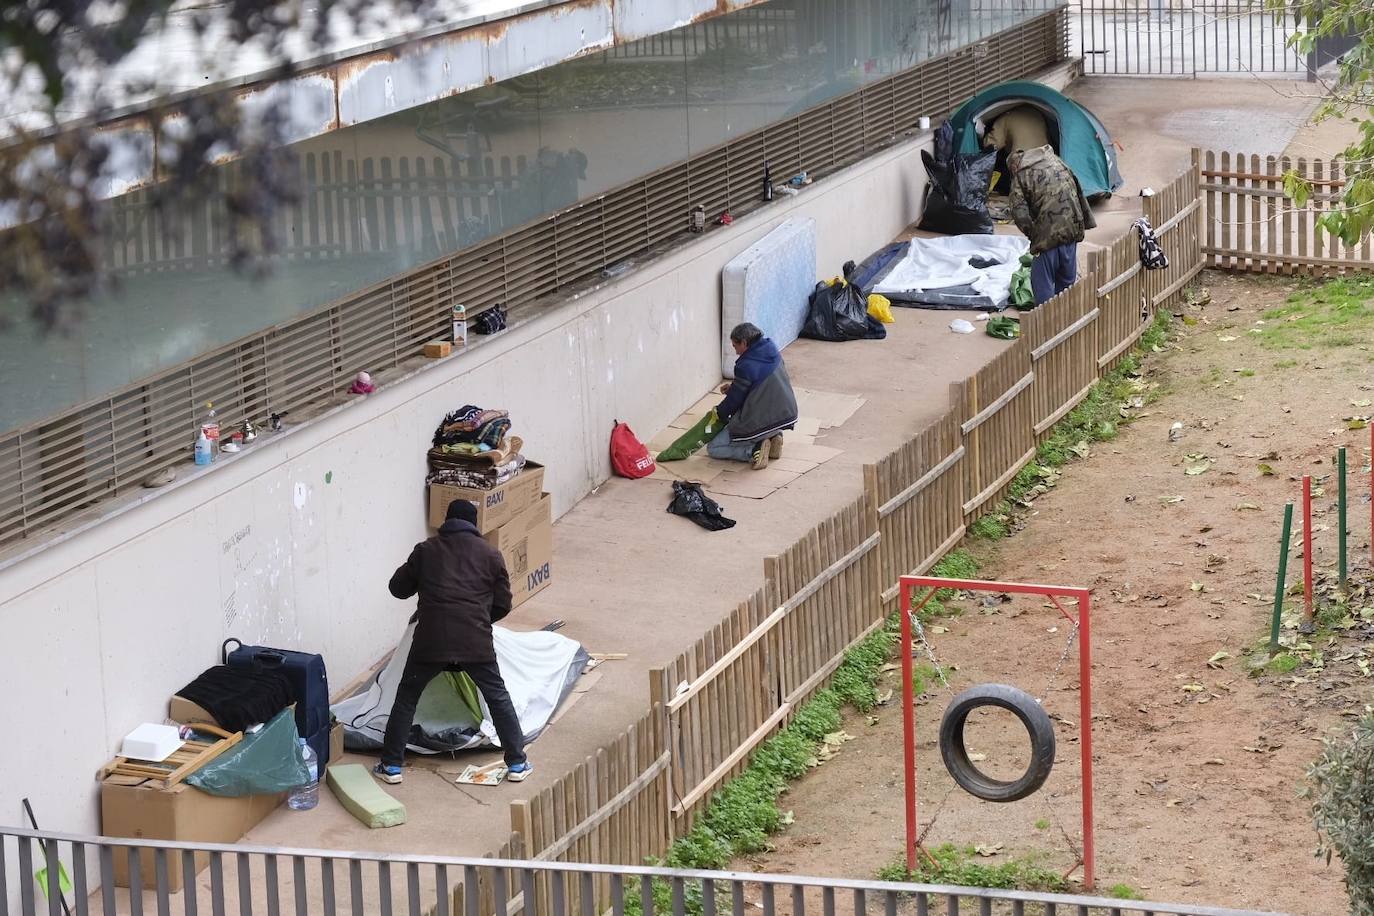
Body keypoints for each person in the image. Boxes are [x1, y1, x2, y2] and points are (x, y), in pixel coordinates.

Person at [373, 499, 531, 785]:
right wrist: (479, 620)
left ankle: (392, 766)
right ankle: (517, 763)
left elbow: (398, 588)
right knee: (498, 698)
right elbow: (503, 604)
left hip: (430, 642)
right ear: (474, 524)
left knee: (407, 698)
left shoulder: (425, 551)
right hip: (476, 643)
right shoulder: (491, 555)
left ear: (446, 521)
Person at [1008, 144, 1096, 305]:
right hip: (1073, 227)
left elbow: (1019, 213)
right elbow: (1078, 189)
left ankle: (1046, 324)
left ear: (1014, 166)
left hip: (1049, 233)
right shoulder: (1056, 161)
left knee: (1042, 281)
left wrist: (1033, 235)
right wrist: (1084, 220)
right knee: (1066, 280)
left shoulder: (1021, 174)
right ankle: (1067, 319)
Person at [708, 322, 799, 470]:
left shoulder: (745, 365)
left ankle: (753, 451)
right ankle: (775, 436)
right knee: (763, 413)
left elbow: (734, 401)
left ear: (744, 343)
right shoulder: (771, 349)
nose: (736, 352)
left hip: (765, 419)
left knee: (714, 448)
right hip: (786, 414)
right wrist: (734, 387)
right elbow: (759, 381)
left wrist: (719, 413)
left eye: (735, 346)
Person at [982, 106, 1050, 156]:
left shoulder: (1005, 118)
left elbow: (992, 144)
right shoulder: (1037, 114)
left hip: (1023, 159)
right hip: (1046, 156)